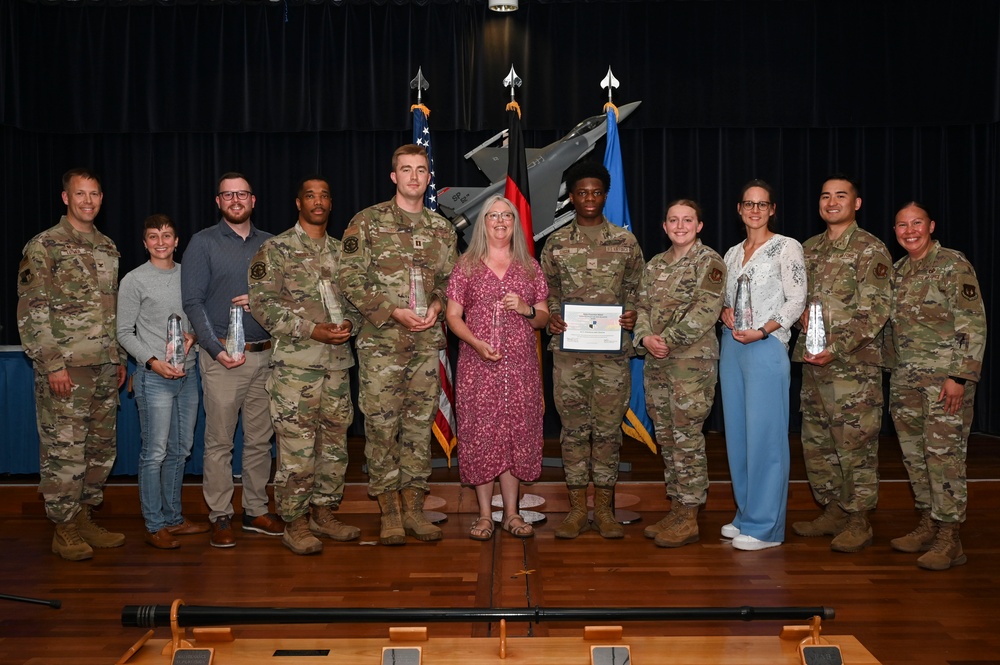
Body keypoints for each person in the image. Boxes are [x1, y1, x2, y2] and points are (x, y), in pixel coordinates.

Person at [338, 144, 458, 545]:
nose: (412, 177)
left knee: (418, 427)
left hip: (426, 344)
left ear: (428, 178)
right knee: (382, 427)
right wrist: (392, 312)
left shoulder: (442, 230)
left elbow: (450, 283)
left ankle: (414, 510)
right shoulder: (366, 223)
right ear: (394, 177)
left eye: (420, 170)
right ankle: (389, 513)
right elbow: (350, 280)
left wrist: (439, 304)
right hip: (381, 345)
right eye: (405, 170)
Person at [16, 168, 127, 561]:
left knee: (99, 449)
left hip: (102, 366)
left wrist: (117, 358)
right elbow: (33, 311)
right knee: (64, 451)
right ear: (66, 198)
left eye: (94, 194)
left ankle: (83, 517)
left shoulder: (108, 247)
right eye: (80, 194)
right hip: (65, 369)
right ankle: (63, 528)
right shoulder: (45, 245)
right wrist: (52, 365)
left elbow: (111, 311)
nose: (88, 201)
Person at [248, 176, 362, 555]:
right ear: (299, 203)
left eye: (325, 196)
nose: (318, 202)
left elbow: (359, 300)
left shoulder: (343, 251)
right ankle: (294, 522)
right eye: (310, 196)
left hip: (337, 366)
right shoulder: (276, 249)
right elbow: (263, 305)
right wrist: (312, 330)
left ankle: (323, 513)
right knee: (297, 451)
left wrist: (350, 324)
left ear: (331, 203)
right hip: (297, 368)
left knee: (334, 448)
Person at [540, 161, 645, 539]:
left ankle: (603, 510)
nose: (589, 198)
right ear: (571, 197)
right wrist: (552, 315)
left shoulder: (625, 242)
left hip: (613, 355)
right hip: (569, 356)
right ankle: (574, 512)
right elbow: (547, 292)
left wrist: (633, 313)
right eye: (581, 192)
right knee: (572, 432)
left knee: (606, 432)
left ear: (605, 195)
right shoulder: (556, 243)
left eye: (596, 192)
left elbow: (638, 288)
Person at [791, 175, 892, 552]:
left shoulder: (870, 249)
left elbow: (877, 311)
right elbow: (796, 296)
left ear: (857, 203)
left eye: (841, 196)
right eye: (825, 196)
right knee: (817, 442)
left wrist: (837, 346)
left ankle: (859, 519)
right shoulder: (808, 248)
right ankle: (833, 509)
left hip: (852, 366)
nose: (832, 202)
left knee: (855, 444)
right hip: (814, 364)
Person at [182, 172, 282, 548]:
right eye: (228, 195)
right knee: (220, 442)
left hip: (266, 356)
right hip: (223, 356)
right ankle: (220, 514)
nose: (236, 200)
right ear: (218, 202)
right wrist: (214, 349)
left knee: (260, 441)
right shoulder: (202, 243)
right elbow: (192, 302)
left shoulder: (272, 245)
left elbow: (285, 299)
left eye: (242, 194)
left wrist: (262, 305)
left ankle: (255, 510)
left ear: (253, 200)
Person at [887, 202, 986, 570]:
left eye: (916, 223)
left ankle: (950, 537)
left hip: (946, 384)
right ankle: (928, 522)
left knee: (944, 459)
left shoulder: (952, 265)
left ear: (931, 226)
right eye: (901, 225)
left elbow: (972, 324)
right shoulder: (897, 271)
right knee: (915, 458)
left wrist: (960, 376)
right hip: (907, 381)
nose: (909, 230)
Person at [445, 196, 550, 540]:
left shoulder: (529, 266)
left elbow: (544, 318)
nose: (501, 221)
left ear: (515, 223)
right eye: (493, 216)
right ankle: (485, 516)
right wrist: (475, 343)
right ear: (483, 222)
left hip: (520, 370)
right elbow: (452, 316)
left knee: (515, 437)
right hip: (478, 368)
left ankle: (513, 515)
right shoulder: (467, 266)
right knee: (482, 437)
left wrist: (525, 308)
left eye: (507, 215)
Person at [719, 179, 807, 551]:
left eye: (762, 204)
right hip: (732, 347)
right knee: (738, 434)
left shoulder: (787, 247)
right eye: (748, 203)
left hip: (766, 345)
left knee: (766, 437)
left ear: (772, 209)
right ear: (739, 209)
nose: (755, 210)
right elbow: (726, 299)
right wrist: (724, 313)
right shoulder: (731, 253)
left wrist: (763, 330)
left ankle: (766, 527)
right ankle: (746, 514)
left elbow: (796, 300)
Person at [634, 199, 726, 548]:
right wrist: (645, 337)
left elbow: (706, 310)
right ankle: (676, 507)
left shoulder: (709, 262)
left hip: (691, 363)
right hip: (657, 363)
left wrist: (667, 340)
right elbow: (641, 306)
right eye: (674, 219)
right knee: (667, 437)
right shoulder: (656, 264)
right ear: (664, 226)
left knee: (686, 437)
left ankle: (690, 515)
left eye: (688, 220)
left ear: (699, 225)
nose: (681, 225)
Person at [117, 214, 208, 550]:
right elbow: (124, 332)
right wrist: (153, 363)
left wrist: (194, 336)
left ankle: (174, 519)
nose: (160, 242)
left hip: (188, 375)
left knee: (180, 451)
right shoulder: (134, 281)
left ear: (176, 240)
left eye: (167, 235)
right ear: (144, 242)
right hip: (154, 379)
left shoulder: (190, 276)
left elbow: (201, 317)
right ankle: (155, 524)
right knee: (154, 453)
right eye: (153, 236)